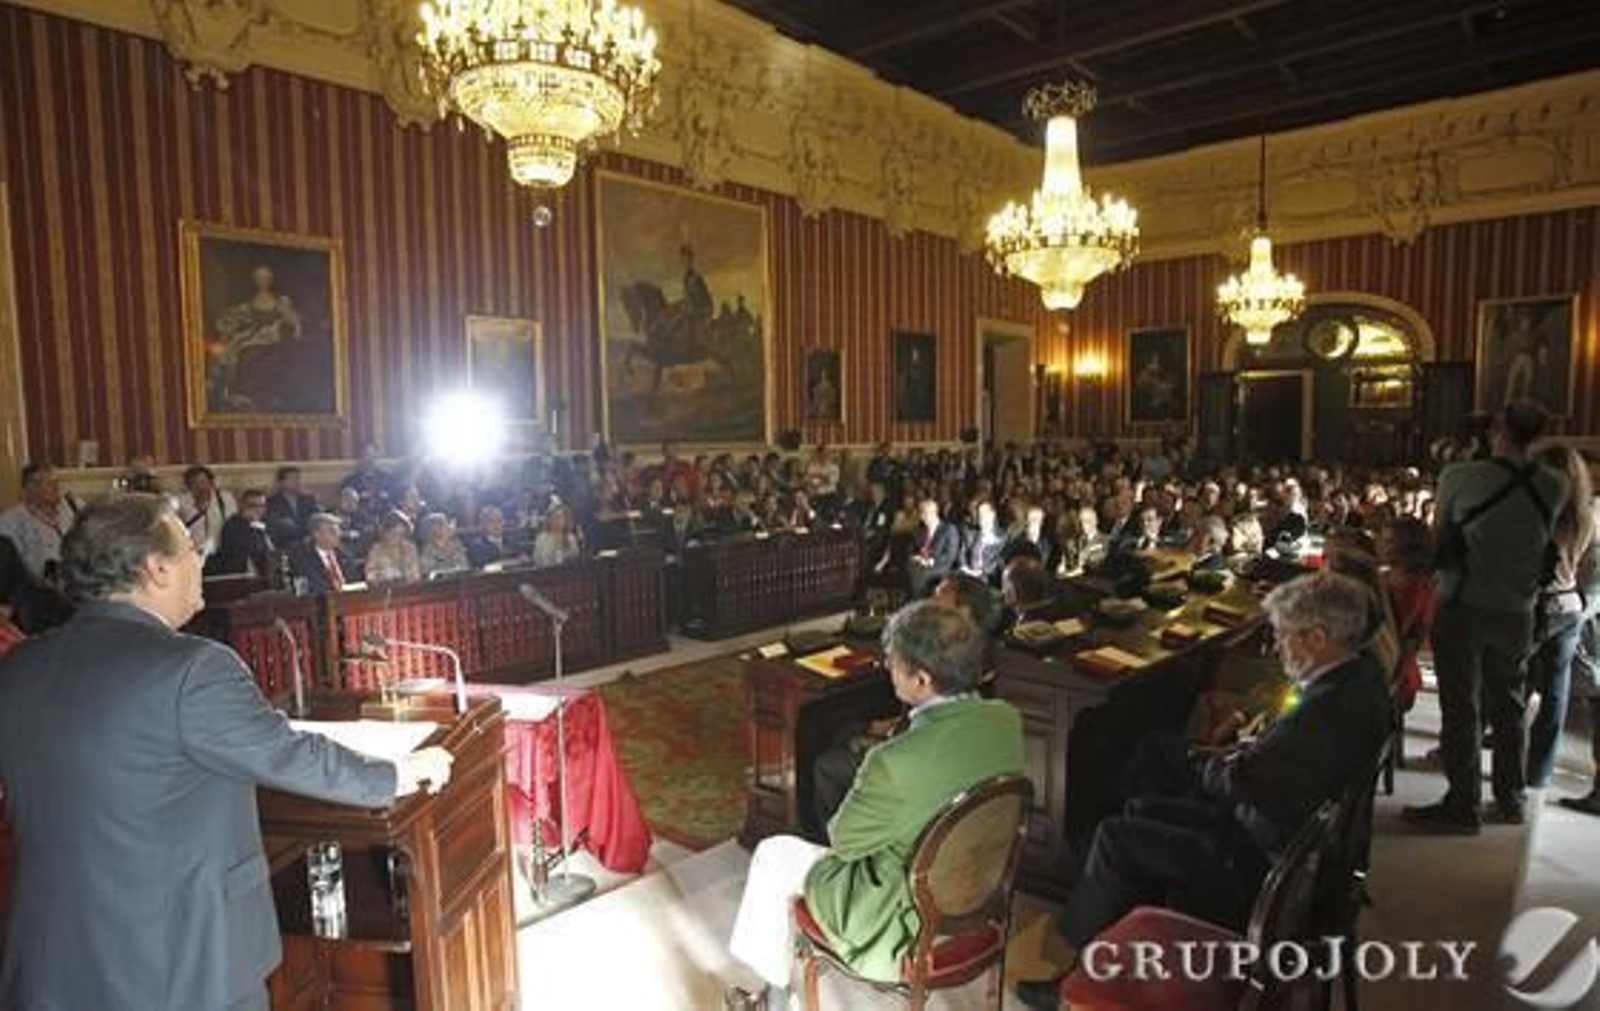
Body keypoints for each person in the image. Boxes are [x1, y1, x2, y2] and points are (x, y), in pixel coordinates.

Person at [0, 494, 454, 1010]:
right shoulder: (192, 668)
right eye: (191, 549)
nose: (200, 560)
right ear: (156, 568)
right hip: (181, 962)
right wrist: (397, 773)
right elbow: (287, 754)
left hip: (47, 961)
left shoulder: (19, 667)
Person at [1014, 571, 1391, 1008]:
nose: (1277, 647)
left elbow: (1242, 780)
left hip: (1262, 868)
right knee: (1139, 808)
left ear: (1319, 637)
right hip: (1287, 842)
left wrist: (1211, 757)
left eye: (1284, 636)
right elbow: (1270, 768)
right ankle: (1120, 937)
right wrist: (1239, 752)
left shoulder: (1324, 714)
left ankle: (1076, 979)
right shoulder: (1360, 677)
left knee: (1117, 839)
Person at [728, 601, 1024, 1007]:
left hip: (903, 917)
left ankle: (774, 998)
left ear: (921, 679)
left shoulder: (891, 763)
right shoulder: (1006, 719)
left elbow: (844, 842)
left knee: (773, 854)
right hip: (979, 890)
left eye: (893, 662)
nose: (887, 667)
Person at [1404, 401, 1569, 833]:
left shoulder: (1460, 476)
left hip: (1464, 604)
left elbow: (1441, 537)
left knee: (1461, 708)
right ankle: (1511, 799)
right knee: (1510, 706)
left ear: (1496, 429)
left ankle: (1463, 806)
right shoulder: (1555, 485)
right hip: (1518, 610)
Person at [1524, 444, 1595, 790]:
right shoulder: (1586, 514)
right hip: (1569, 605)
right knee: (1555, 693)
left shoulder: (1541, 509)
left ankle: (1507, 763)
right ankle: (1538, 772)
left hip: (1537, 603)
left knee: (1513, 686)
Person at [212, 265, 302, 410]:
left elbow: (293, 320)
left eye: (265, 278)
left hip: (274, 340)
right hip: (254, 338)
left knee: (254, 355)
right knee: (238, 353)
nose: (262, 281)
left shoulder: (280, 302)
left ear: (270, 280)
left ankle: (263, 396)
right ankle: (241, 394)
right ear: (254, 280)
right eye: (259, 278)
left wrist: (296, 331)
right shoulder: (249, 304)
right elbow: (234, 317)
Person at [0, 463, 80, 583]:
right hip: (38, 589)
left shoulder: (72, 505)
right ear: (30, 488)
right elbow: (9, 566)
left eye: (58, 482)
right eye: (50, 483)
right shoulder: (12, 521)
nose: (58, 487)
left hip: (80, 582)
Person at [204, 488, 276, 577]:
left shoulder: (265, 522)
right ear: (242, 505)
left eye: (262, 506)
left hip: (263, 572)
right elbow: (246, 550)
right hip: (238, 573)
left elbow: (271, 549)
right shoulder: (232, 525)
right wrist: (251, 525)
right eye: (252, 505)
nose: (258, 509)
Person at [174, 464, 238, 560]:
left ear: (211, 482)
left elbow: (234, 522)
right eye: (194, 483)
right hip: (194, 555)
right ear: (189, 486)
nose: (200, 486)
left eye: (203, 481)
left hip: (222, 552)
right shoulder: (181, 502)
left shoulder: (225, 498)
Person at [289, 512, 354, 593]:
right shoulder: (304, 559)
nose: (338, 534)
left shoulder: (345, 554)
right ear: (317, 534)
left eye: (339, 530)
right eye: (332, 531)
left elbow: (354, 581)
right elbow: (311, 588)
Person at [265, 465, 320, 546]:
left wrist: (310, 536)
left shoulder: (309, 499)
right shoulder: (272, 502)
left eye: (298, 478)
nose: (297, 481)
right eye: (291, 478)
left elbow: (318, 519)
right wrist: (301, 539)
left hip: (311, 540)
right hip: (286, 543)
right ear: (281, 482)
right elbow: (275, 527)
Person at [363, 510, 421, 586]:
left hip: (408, 591)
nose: (398, 538)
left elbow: (416, 575)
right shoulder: (376, 550)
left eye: (401, 534)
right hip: (384, 593)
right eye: (394, 533)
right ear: (385, 532)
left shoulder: (411, 548)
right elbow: (370, 577)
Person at [416, 512, 469, 579]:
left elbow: (466, 567)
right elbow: (428, 574)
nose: (450, 527)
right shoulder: (427, 550)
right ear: (435, 530)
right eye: (446, 524)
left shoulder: (457, 544)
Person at [532, 503, 584, 568]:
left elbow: (575, 559)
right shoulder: (542, 539)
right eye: (554, 517)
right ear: (549, 519)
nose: (558, 520)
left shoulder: (571, 538)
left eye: (560, 517)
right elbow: (539, 562)